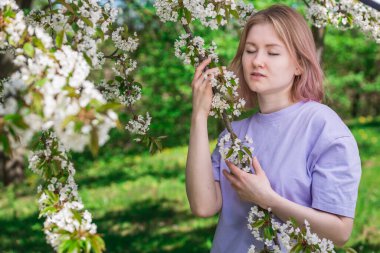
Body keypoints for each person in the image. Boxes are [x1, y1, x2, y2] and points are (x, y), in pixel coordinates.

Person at [185, 4, 362, 253]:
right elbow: (203, 206)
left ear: (299, 64)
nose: (257, 61)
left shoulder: (323, 128)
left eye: (273, 53)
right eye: (250, 50)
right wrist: (199, 116)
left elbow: (340, 232)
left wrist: (269, 201)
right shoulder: (233, 135)